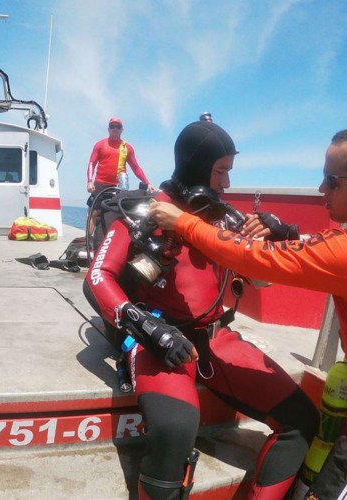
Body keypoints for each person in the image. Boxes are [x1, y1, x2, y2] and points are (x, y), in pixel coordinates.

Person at [83, 120, 318, 499]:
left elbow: (263, 282)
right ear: (196, 167)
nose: (226, 184)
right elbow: (98, 276)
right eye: (221, 171)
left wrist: (279, 238)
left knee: (303, 419)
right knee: (175, 430)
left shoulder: (224, 219)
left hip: (217, 338)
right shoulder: (145, 211)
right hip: (162, 340)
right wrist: (144, 327)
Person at [149, 125, 347, 499]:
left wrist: (182, 222)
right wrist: (288, 233)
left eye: (331, 181)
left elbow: (254, 261)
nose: (321, 190)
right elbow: (330, 251)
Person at [86, 118, 153, 234]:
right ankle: (87, 239)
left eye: (118, 127)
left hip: (117, 186)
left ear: (122, 130)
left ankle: (107, 239)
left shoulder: (127, 148)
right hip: (100, 183)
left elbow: (136, 167)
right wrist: (90, 181)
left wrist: (147, 183)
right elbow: (92, 163)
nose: (115, 129)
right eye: (112, 126)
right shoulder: (100, 145)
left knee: (115, 212)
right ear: (108, 129)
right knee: (94, 212)